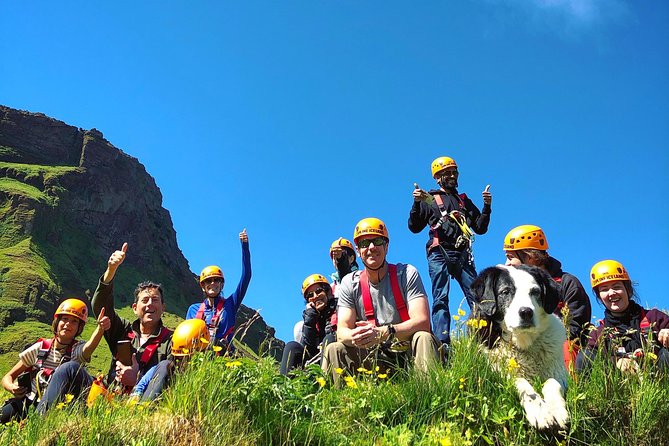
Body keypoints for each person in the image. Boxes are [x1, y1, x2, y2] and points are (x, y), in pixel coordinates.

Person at [322, 218, 439, 386]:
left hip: (408, 353)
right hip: (372, 358)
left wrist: (383, 332)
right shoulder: (349, 282)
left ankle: (428, 397)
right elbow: (342, 332)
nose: (371, 248)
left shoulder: (406, 273)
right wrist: (357, 337)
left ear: (386, 246)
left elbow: (423, 322)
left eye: (377, 241)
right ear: (358, 250)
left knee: (423, 337)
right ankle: (337, 407)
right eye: (364, 243)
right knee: (334, 348)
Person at [408, 156, 492, 347]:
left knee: (478, 298)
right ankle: (442, 343)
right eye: (447, 173)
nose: (452, 176)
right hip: (439, 252)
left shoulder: (463, 201)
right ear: (438, 178)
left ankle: (484, 341)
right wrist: (416, 203)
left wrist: (486, 206)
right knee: (440, 297)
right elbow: (414, 227)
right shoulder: (429, 198)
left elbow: (480, 228)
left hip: (462, 254)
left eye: (454, 172)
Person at [1, 298, 110, 422]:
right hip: (30, 401)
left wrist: (100, 329)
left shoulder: (77, 350)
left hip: (59, 405)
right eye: (64, 319)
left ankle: (36, 424)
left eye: (74, 321)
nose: (68, 324)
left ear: (79, 328)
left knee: (70, 367)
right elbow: (8, 377)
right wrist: (11, 387)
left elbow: (89, 347)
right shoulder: (40, 348)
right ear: (57, 322)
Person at [503, 224, 592, 368]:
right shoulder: (511, 288)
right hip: (523, 345)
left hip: (559, 348)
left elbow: (576, 329)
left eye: (511, 257)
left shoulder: (567, 283)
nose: (507, 264)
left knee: (566, 347)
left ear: (531, 257)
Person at [92, 242, 174, 394]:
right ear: (135, 308)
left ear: (163, 308)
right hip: (109, 401)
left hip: (144, 404)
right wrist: (111, 270)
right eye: (145, 300)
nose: (150, 304)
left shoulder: (171, 341)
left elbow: (173, 382)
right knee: (70, 370)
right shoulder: (122, 329)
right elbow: (100, 306)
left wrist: (136, 379)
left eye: (155, 300)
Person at [576, 260, 669, 374]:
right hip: (617, 386)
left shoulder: (654, 317)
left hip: (658, 380)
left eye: (616, 286)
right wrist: (616, 362)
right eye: (604, 289)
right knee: (584, 357)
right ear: (599, 297)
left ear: (628, 290)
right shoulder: (597, 334)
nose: (611, 293)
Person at [186, 229, 251, 351]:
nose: (212, 283)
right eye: (208, 281)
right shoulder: (193, 310)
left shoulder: (230, 304)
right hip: (198, 356)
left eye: (217, 280)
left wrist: (245, 246)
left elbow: (246, 276)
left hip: (223, 356)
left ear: (222, 284)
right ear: (203, 286)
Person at [131, 318, 210, 402]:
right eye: (179, 358)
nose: (183, 361)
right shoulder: (164, 367)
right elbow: (142, 384)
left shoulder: (207, 371)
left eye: (187, 357)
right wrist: (136, 395)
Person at [281, 274, 337, 375]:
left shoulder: (340, 307)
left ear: (327, 291)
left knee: (329, 339)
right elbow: (307, 349)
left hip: (337, 355)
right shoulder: (310, 317)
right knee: (292, 346)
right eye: (310, 295)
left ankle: (328, 385)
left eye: (319, 291)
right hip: (316, 359)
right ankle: (283, 387)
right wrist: (310, 320)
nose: (315, 296)